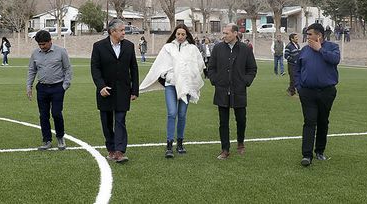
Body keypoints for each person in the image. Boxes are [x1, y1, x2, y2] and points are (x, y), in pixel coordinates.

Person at [139, 24, 206, 158]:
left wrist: (190, 77)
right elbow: (159, 65)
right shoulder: (168, 48)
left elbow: (198, 65)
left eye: (183, 34)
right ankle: (169, 144)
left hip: (186, 86)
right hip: (171, 85)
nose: (180, 36)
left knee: (182, 114)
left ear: (187, 35)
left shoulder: (192, 49)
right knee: (172, 113)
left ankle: (180, 143)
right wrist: (168, 75)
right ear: (175, 34)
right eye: (178, 34)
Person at [91, 19, 139, 163]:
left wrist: (134, 90)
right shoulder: (99, 46)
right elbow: (95, 68)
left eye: (124, 30)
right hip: (105, 91)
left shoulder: (129, 46)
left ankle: (119, 151)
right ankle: (111, 149)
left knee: (120, 120)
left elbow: (134, 68)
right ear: (112, 32)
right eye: (122, 30)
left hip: (123, 90)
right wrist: (101, 86)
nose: (124, 33)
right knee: (106, 122)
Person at [207, 23, 258, 160]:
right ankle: (225, 149)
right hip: (222, 90)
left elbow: (252, 69)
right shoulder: (217, 48)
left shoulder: (245, 49)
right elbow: (211, 68)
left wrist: (245, 81)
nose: (224, 35)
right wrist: (215, 80)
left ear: (235, 33)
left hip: (239, 90)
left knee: (241, 120)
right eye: (223, 33)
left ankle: (240, 143)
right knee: (223, 122)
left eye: (226, 33)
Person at [295, 23, 340, 167]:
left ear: (319, 35)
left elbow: (335, 60)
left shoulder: (332, 47)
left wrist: (320, 49)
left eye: (310, 34)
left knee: (323, 121)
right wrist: (299, 86)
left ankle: (320, 151)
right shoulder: (304, 50)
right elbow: (297, 69)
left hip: (326, 92)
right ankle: (307, 155)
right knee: (309, 121)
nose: (307, 37)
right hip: (307, 92)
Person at [26, 30, 73, 151]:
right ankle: (47, 140)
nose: (42, 47)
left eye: (44, 44)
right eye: (39, 44)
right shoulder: (35, 53)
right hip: (42, 88)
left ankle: (60, 137)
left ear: (50, 41)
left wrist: (65, 86)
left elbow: (67, 69)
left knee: (56, 113)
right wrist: (29, 86)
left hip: (57, 88)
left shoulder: (61, 51)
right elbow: (32, 70)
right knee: (43, 115)